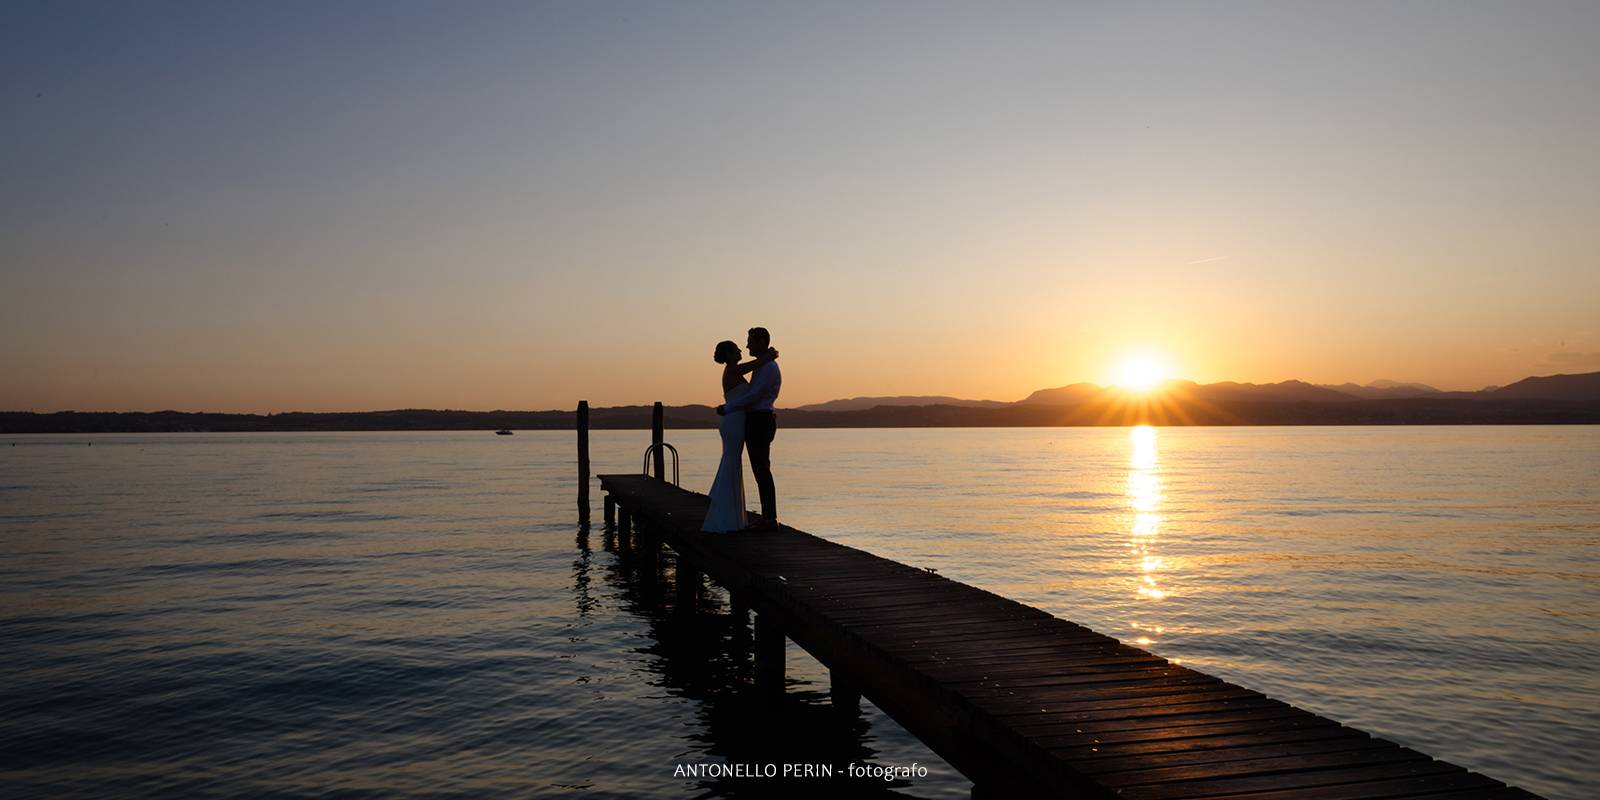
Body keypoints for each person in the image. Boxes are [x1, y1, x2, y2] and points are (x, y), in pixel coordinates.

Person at [701, 340, 777, 533]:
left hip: (737, 420)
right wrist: (769, 355)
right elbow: (755, 365)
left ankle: (731, 515)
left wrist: (768, 356)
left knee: (733, 463)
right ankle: (727, 515)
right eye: (736, 349)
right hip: (734, 422)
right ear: (728, 354)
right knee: (732, 462)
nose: (741, 350)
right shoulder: (733, 370)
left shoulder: (735, 370)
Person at [717, 327, 781, 528]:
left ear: (761, 341)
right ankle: (760, 516)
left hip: (760, 420)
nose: (746, 346)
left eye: (750, 341)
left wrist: (728, 407)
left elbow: (754, 395)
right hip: (753, 420)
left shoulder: (768, 367)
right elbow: (751, 392)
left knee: (761, 469)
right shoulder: (761, 365)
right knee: (757, 468)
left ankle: (769, 518)